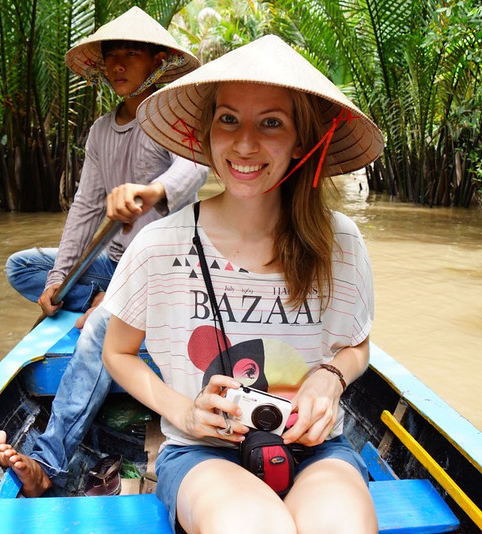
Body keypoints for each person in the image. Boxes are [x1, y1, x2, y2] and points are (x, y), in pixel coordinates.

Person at [101, 34, 385, 533]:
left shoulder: (340, 241)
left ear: (301, 139)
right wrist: (185, 413)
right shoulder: (159, 244)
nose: (245, 143)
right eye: (228, 119)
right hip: (202, 452)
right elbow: (117, 353)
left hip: (316, 448)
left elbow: (356, 347)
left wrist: (331, 377)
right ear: (207, 132)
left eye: (271, 123)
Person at [0, 7, 208, 498]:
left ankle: (47, 462)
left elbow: (194, 170)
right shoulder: (98, 131)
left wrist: (152, 192)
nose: (118, 66)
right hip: (113, 263)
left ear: (157, 60)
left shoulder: (173, 118)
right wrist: (57, 281)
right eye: (112, 57)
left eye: (131, 54)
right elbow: (86, 209)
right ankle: (96, 297)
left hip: (164, 271)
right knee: (23, 267)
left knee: (97, 332)